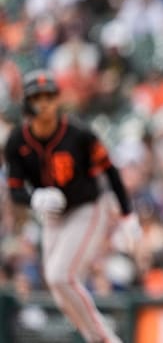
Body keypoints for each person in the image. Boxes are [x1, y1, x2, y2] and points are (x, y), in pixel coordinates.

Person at [3, 70, 140, 343]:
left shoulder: (79, 133)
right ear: (27, 102)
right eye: (36, 97)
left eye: (48, 96)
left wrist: (126, 215)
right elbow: (15, 189)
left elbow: (110, 170)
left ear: (57, 100)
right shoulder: (17, 141)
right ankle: (94, 336)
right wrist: (34, 198)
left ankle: (105, 339)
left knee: (61, 275)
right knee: (56, 285)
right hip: (53, 215)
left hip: (87, 207)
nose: (43, 103)